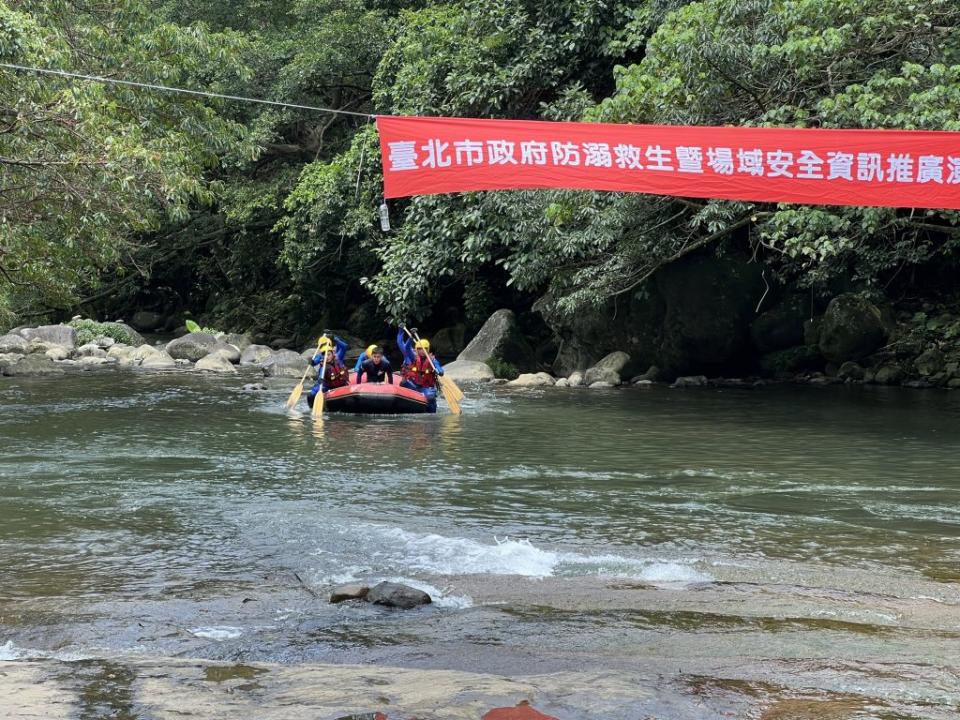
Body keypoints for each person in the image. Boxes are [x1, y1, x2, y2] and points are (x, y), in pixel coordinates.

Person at [397, 325, 444, 413]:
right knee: (403, 382)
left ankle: (431, 412)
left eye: (424, 349)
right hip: (414, 385)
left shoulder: (432, 360)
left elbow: (439, 368)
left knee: (430, 397)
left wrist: (439, 372)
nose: (421, 351)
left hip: (426, 387)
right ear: (416, 350)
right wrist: (411, 337)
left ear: (427, 349)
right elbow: (407, 348)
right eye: (419, 349)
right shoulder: (413, 357)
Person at [306, 333, 349, 408]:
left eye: (328, 355)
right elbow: (317, 365)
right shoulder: (322, 360)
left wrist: (334, 338)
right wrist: (312, 362)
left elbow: (344, 346)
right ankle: (312, 408)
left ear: (332, 354)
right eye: (325, 355)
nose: (327, 357)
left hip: (342, 384)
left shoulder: (338, 357)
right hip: (328, 385)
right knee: (310, 395)